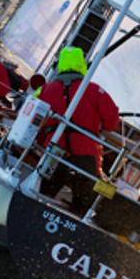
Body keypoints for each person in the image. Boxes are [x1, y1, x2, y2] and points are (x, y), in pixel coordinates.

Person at [37, 47, 119, 212]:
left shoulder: (46, 89)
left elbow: (36, 121)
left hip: (54, 150)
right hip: (86, 155)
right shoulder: (95, 90)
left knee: (41, 191)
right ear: (82, 65)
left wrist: (39, 146)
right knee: (83, 204)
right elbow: (112, 124)